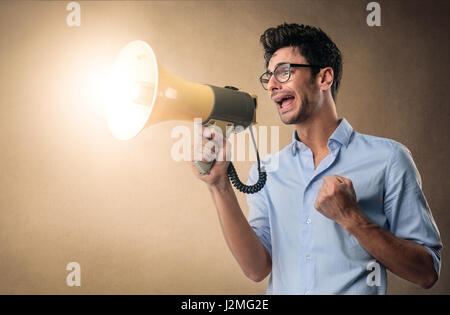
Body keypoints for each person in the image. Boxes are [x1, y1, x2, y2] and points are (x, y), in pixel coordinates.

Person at [191, 23, 442, 294]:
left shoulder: (389, 158)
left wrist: (351, 217)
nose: (272, 85)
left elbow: (426, 272)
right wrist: (219, 186)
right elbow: (257, 268)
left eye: (284, 72)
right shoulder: (267, 171)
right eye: (269, 77)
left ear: (324, 78)